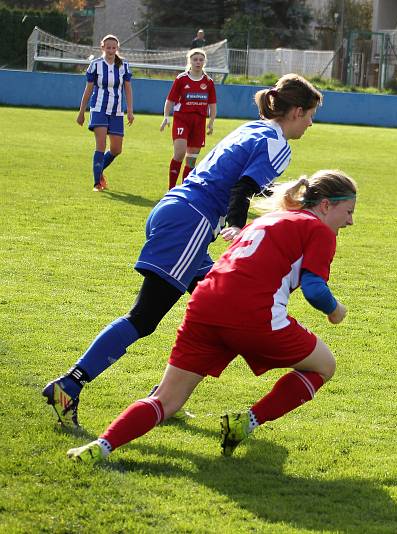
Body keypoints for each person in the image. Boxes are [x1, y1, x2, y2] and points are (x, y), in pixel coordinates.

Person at [43, 74, 323, 429]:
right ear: (296, 111)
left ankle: (165, 399)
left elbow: (234, 180)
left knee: (224, 310)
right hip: (191, 223)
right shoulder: (278, 143)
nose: (312, 123)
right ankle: (69, 385)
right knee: (144, 317)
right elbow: (243, 188)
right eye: (311, 114)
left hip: (180, 212)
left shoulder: (252, 129)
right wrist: (235, 226)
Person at [66, 171, 357, 463]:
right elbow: (315, 290)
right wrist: (336, 311)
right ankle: (248, 421)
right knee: (324, 366)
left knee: (165, 400)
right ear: (326, 205)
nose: (350, 221)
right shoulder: (318, 230)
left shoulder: (270, 218)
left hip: (204, 306)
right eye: (348, 211)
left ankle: (99, 447)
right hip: (253, 316)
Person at [77, 34, 134, 192]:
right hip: (98, 108)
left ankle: (99, 169)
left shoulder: (124, 65)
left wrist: (130, 110)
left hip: (116, 111)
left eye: (113, 47)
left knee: (116, 149)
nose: (110, 50)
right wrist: (82, 111)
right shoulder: (95, 65)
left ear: (117, 48)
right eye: (108, 47)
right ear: (102, 47)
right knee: (101, 145)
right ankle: (97, 183)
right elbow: (88, 90)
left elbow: (127, 89)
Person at [161, 48, 218, 189]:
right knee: (179, 153)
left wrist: (211, 122)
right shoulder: (181, 79)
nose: (198, 62)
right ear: (190, 61)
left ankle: (183, 190)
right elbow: (170, 100)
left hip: (199, 122)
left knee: (191, 161)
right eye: (195, 59)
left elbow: (212, 104)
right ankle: (171, 188)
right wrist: (166, 117)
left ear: (204, 62)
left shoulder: (208, 82)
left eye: (201, 59)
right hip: (182, 119)